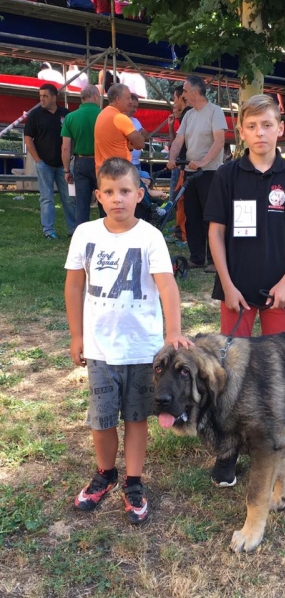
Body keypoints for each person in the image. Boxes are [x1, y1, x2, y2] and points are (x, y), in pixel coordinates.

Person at [65, 157, 191, 524]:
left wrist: (172, 332)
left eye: (124, 191)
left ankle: (134, 483)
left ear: (139, 194)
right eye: (108, 191)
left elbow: (167, 285)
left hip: (142, 351)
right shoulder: (85, 234)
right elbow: (74, 285)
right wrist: (77, 335)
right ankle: (105, 474)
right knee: (102, 420)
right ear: (98, 196)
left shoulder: (150, 236)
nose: (117, 198)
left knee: (136, 418)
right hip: (101, 350)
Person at [204, 94, 285, 487]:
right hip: (235, 292)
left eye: (267, 125)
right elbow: (215, 233)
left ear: (280, 128)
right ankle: (227, 453)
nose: (260, 133)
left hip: (280, 293)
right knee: (229, 372)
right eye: (251, 126)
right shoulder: (227, 176)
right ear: (241, 130)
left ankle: (284, 457)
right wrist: (227, 284)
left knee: (284, 373)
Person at [167, 75, 227, 273]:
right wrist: (172, 157)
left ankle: (214, 260)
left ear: (194, 91)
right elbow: (178, 140)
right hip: (190, 173)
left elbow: (219, 142)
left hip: (210, 173)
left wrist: (203, 161)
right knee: (191, 215)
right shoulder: (189, 115)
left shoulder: (214, 112)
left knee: (211, 217)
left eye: (184, 91)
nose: (182, 95)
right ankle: (197, 257)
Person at [24, 83, 77, 239]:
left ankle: (73, 230)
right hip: (44, 164)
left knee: (69, 198)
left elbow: (72, 138)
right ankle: (48, 230)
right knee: (46, 198)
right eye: (40, 96)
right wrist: (38, 160)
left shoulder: (66, 114)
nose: (42, 99)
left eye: (45, 96)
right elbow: (28, 139)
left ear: (55, 97)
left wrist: (71, 156)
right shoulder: (35, 115)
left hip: (64, 165)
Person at [61, 84, 104, 225]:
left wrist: (67, 170)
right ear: (95, 96)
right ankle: (108, 234)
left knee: (82, 205)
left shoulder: (70, 117)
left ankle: (81, 237)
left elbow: (66, 148)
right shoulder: (104, 115)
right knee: (105, 202)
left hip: (80, 162)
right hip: (102, 163)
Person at [94, 83, 145, 174]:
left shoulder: (101, 114)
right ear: (118, 99)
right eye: (128, 98)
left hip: (103, 171)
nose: (130, 102)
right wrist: (131, 142)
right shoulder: (120, 117)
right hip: (119, 172)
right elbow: (140, 144)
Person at [165, 85, 192, 245]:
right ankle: (179, 230)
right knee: (179, 199)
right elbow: (175, 143)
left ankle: (183, 234)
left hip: (187, 165)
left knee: (182, 200)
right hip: (182, 164)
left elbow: (181, 143)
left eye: (175, 98)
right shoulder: (184, 117)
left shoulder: (188, 115)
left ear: (182, 97)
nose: (174, 102)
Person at [128, 93, 150, 173]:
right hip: (125, 164)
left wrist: (135, 136)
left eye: (136, 107)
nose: (135, 110)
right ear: (128, 104)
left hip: (136, 164)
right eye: (134, 107)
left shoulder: (136, 121)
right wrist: (137, 136)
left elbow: (147, 136)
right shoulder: (120, 119)